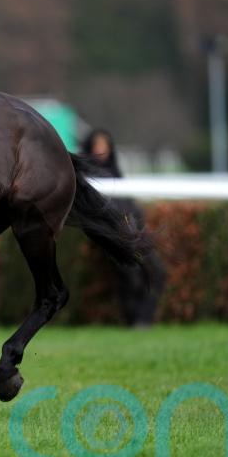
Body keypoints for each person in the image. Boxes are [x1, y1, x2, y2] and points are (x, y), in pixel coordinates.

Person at [81, 128, 166, 327]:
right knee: (132, 275)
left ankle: (143, 320)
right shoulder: (86, 175)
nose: (102, 150)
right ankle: (134, 321)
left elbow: (129, 205)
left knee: (158, 272)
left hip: (134, 232)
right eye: (97, 145)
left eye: (105, 145)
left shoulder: (116, 172)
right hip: (111, 236)